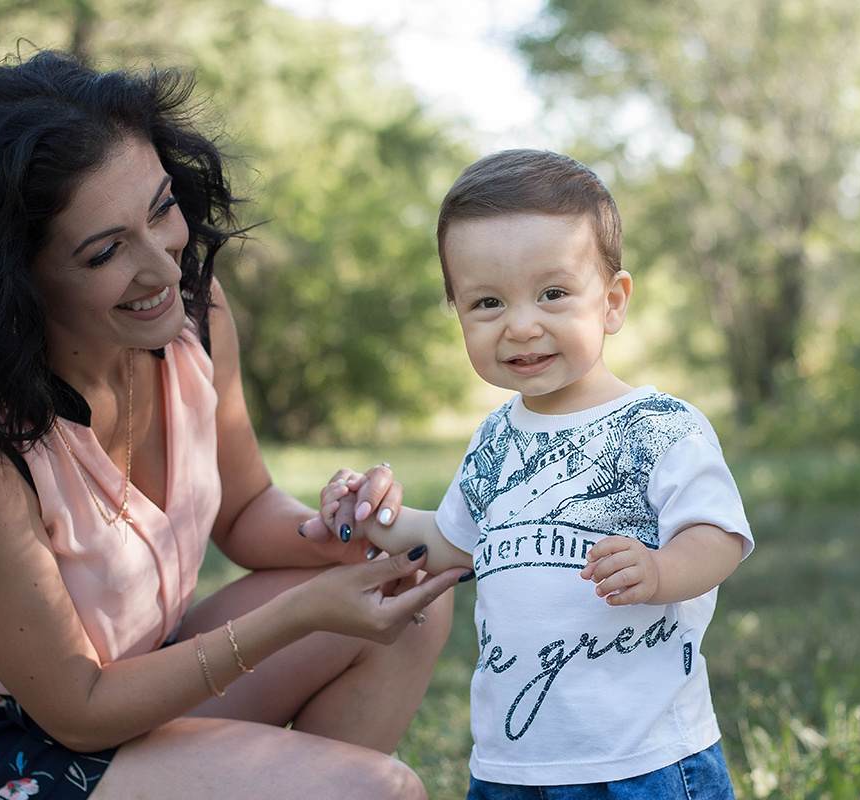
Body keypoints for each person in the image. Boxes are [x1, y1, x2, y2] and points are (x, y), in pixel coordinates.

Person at [0, 50, 470, 800]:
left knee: (409, 595)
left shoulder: (191, 314)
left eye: (161, 209)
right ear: (14, 277)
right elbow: (77, 709)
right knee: (372, 790)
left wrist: (337, 529)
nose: (165, 268)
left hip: (135, 673)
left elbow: (243, 508)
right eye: (106, 251)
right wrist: (299, 612)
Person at [315, 149, 755, 799]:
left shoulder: (661, 426)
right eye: (488, 302)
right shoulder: (495, 440)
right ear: (459, 312)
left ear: (611, 302)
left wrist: (661, 571)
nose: (522, 325)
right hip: (513, 764)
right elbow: (450, 545)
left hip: (642, 759)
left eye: (553, 294)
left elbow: (718, 537)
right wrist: (369, 512)